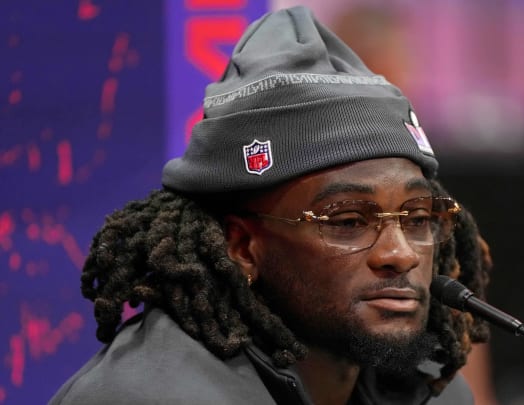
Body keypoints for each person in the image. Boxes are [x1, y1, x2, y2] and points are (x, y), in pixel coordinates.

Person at [50, 6, 492, 405]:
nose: (401, 254)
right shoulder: (144, 397)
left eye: (417, 218)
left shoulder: (435, 391)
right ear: (242, 246)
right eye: (350, 221)